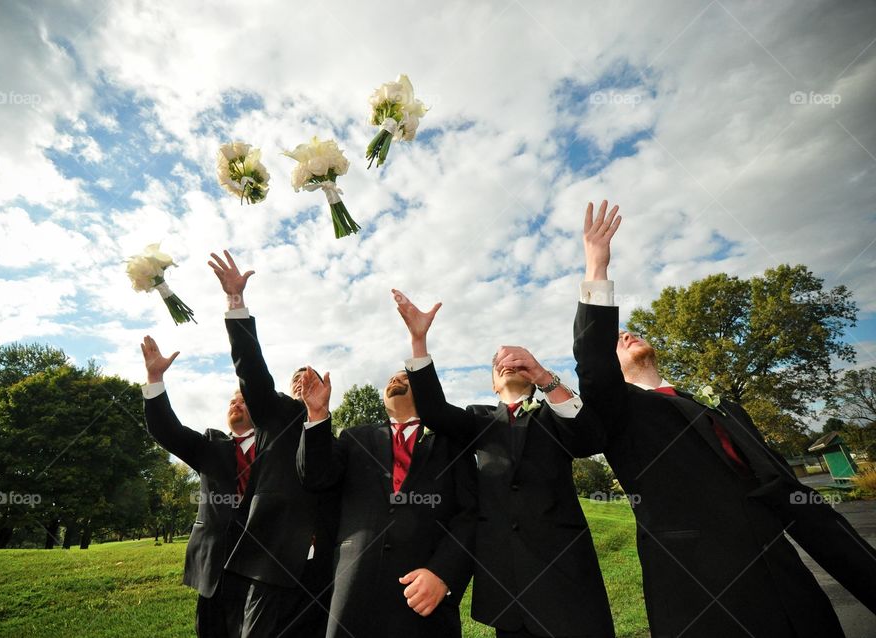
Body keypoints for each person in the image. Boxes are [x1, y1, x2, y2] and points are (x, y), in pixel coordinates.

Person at [573, 200, 876, 637]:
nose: (626, 334)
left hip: (792, 597)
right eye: (618, 341)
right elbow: (593, 362)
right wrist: (597, 267)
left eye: (630, 334)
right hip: (704, 602)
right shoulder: (618, 409)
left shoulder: (723, 408)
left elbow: (797, 502)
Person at [396, 292, 615, 638]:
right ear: (493, 383)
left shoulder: (553, 414)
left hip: (567, 582)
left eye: (516, 359)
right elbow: (435, 412)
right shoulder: (478, 420)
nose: (508, 362)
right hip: (508, 592)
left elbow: (590, 437)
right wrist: (418, 340)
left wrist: (544, 375)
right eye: (499, 363)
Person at [209, 249, 338, 638]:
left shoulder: (333, 431)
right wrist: (236, 303)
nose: (305, 382)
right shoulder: (275, 411)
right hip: (272, 556)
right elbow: (253, 371)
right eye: (298, 378)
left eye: (313, 378)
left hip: (322, 567)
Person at [296, 366, 478, 638]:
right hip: (352, 594)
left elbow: (471, 514)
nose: (396, 378)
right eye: (392, 377)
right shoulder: (354, 438)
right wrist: (318, 416)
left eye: (406, 377)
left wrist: (442, 574)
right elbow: (315, 477)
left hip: (421, 599)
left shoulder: (451, 443)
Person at [141, 335, 255, 638]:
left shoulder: (279, 448)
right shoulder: (210, 445)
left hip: (263, 569)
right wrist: (155, 378)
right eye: (233, 400)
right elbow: (167, 430)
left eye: (244, 399)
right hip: (214, 571)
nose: (235, 403)